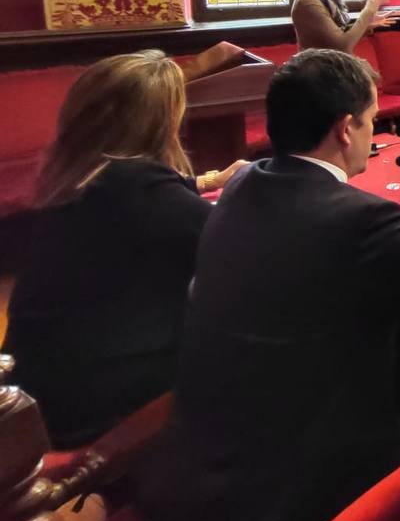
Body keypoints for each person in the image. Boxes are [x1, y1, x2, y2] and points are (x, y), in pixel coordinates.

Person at [140, 49, 400, 521]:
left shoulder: (243, 185)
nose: (370, 132)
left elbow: (310, 231)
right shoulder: (365, 219)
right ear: (345, 129)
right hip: (305, 472)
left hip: (209, 447)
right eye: (370, 121)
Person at [3, 52, 247, 449]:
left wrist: (205, 181)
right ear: (159, 125)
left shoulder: (78, 177)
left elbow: (140, 195)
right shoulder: (151, 202)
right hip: (89, 410)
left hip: (35, 385)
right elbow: (249, 257)